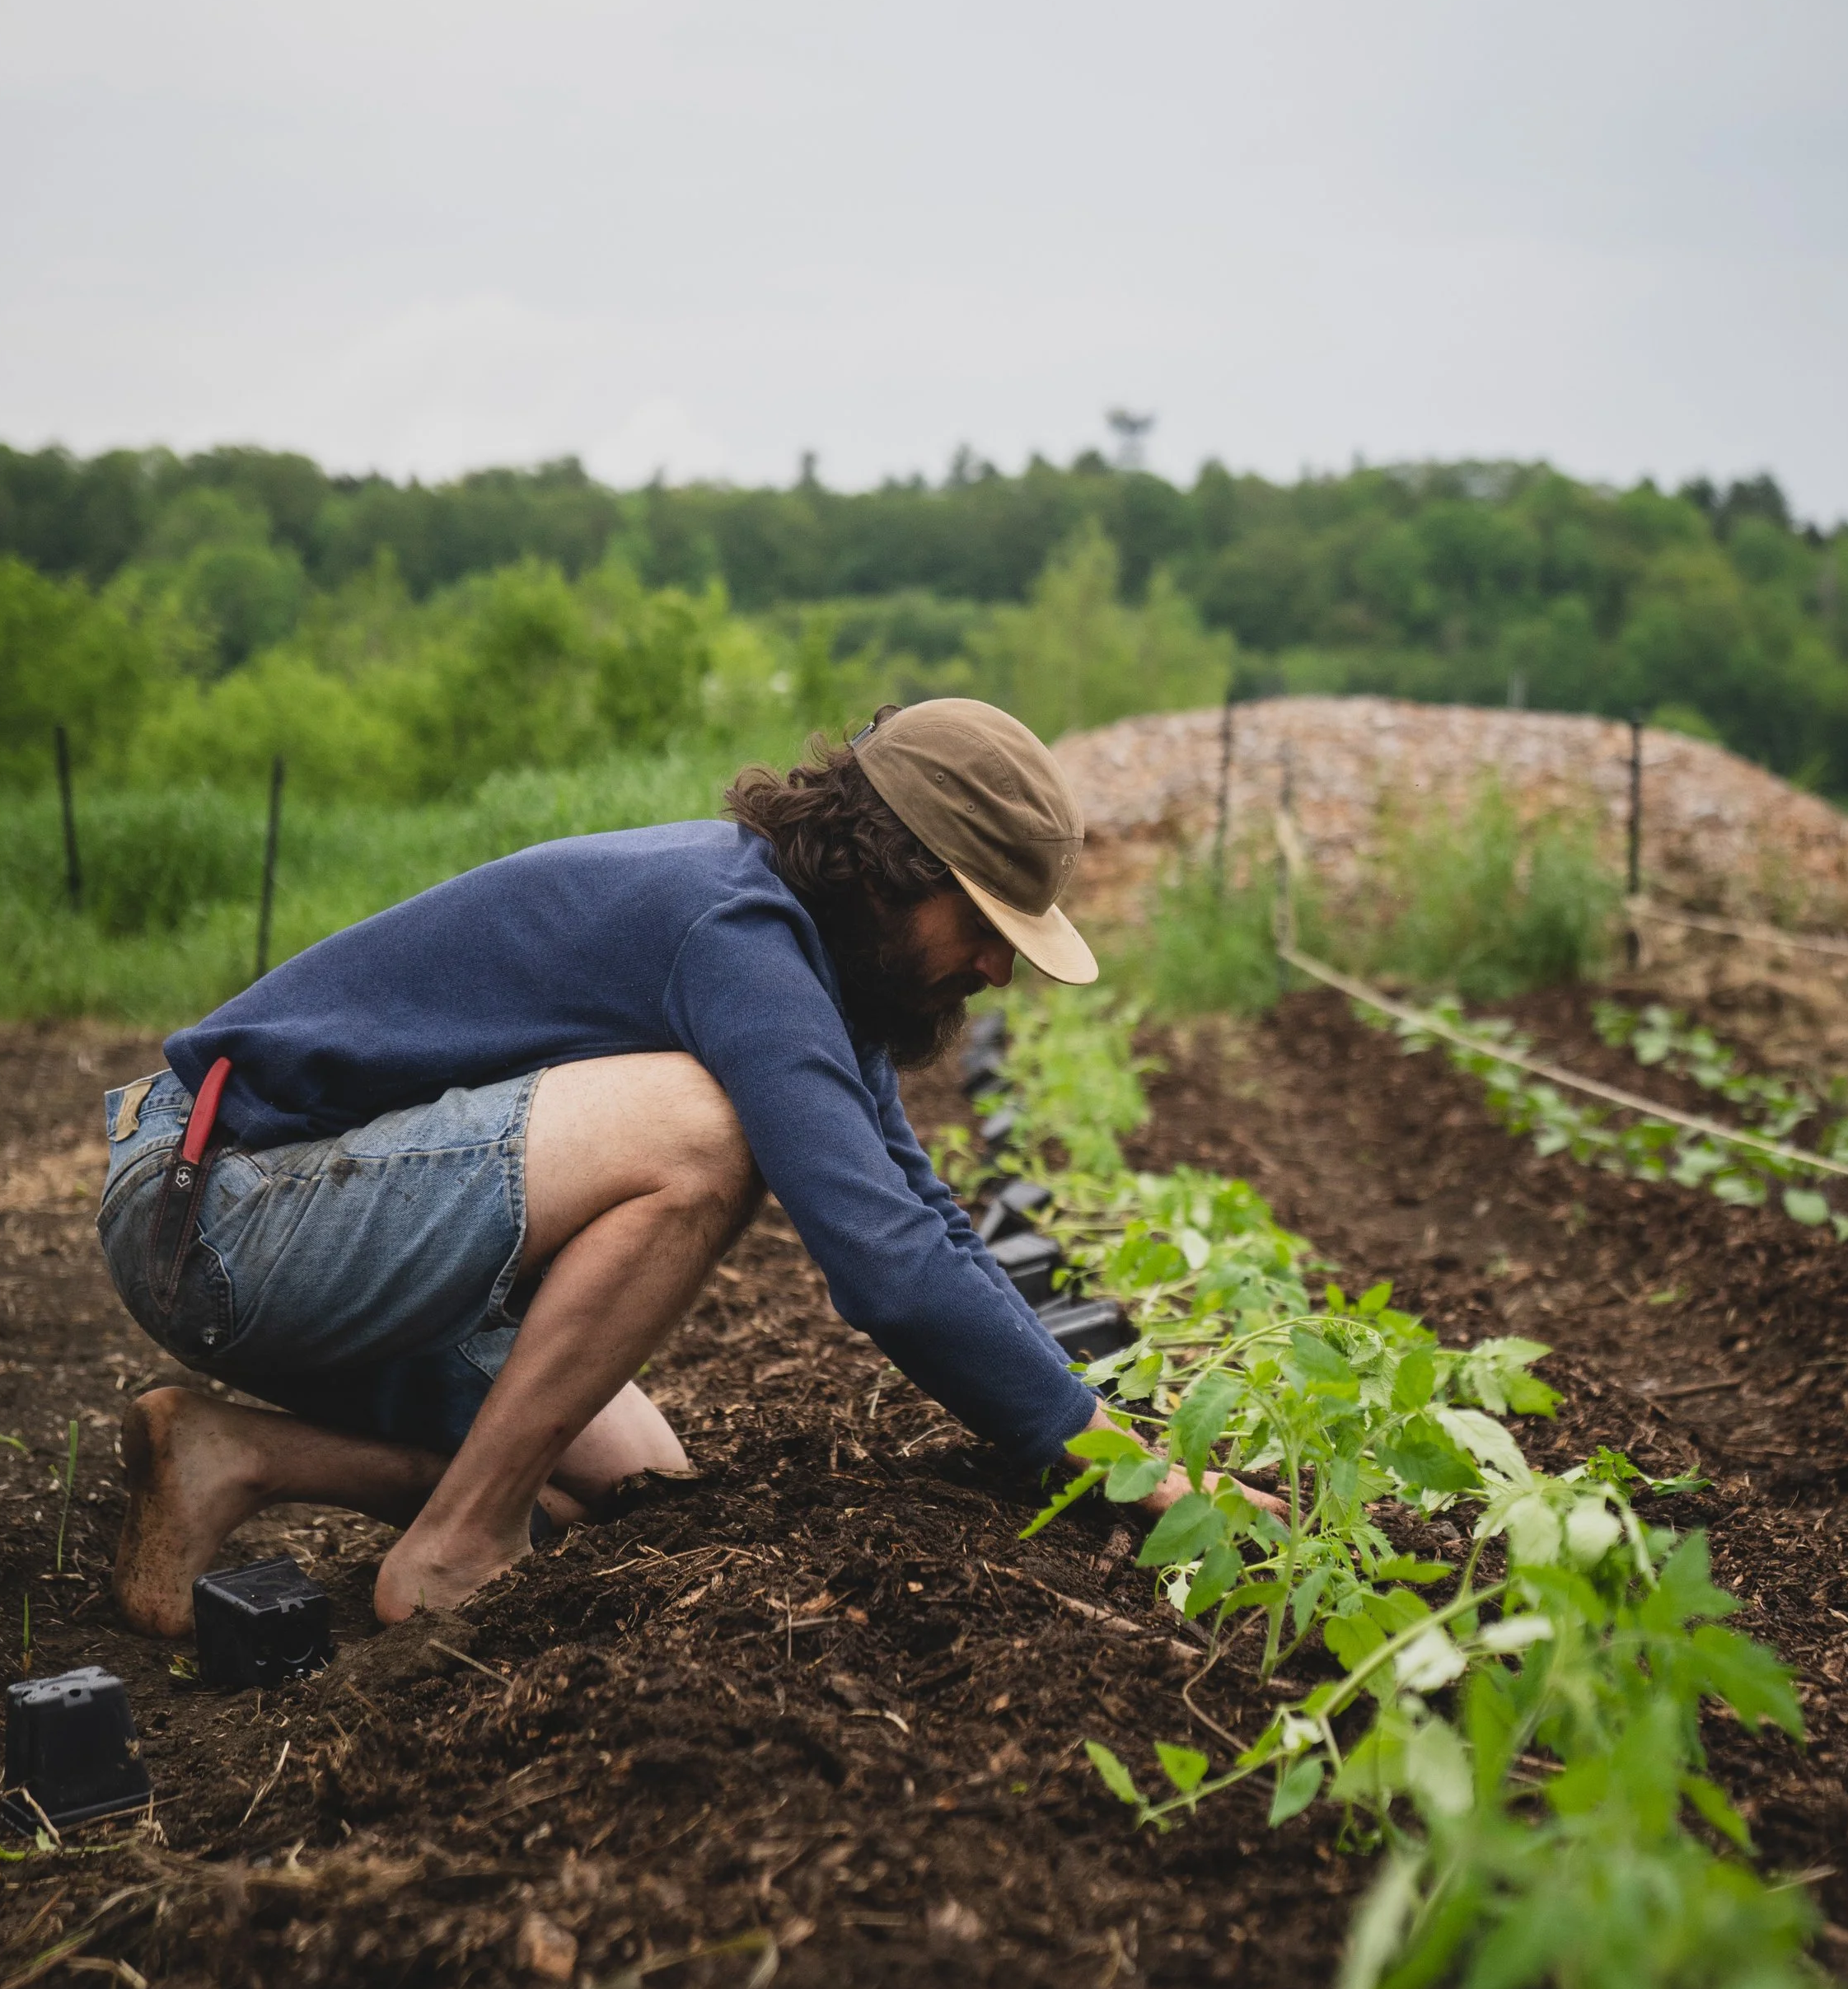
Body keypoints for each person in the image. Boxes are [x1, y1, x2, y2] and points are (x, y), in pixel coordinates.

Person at [96, 699, 1186, 1635]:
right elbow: (888, 1268)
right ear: (894, 869)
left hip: (326, 1222)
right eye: (984, 923)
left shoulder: (813, 964)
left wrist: (1105, 1434)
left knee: (634, 1495)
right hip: (214, 1211)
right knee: (699, 1131)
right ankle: (456, 1548)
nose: (997, 967)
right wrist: (1080, 1444)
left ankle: (228, 1458)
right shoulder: (734, 931)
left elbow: (928, 1219)